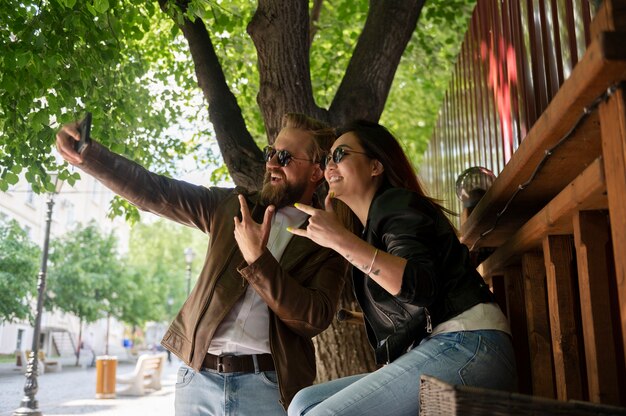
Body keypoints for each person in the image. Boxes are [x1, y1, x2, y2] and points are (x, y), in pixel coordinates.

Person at [56, 113, 349, 415]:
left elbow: (313, 318)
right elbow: (157, 192)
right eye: (270, 152)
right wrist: (89, 156)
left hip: (268, 389)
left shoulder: (329, 239)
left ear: (316, 172)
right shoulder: (230, 206)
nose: (272, 163)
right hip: (196, 382)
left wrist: (258, 260)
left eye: (285, 157)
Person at [287, 120, 517, 415]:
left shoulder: (396, 203)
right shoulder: (368, 231)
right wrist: (345, 242)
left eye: (341, 154)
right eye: (327, 157)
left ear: (375, 166)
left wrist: (341, 242)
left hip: (470, 345)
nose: (330, 164)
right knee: (304, 404)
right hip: (438, 349)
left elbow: (420, 287)